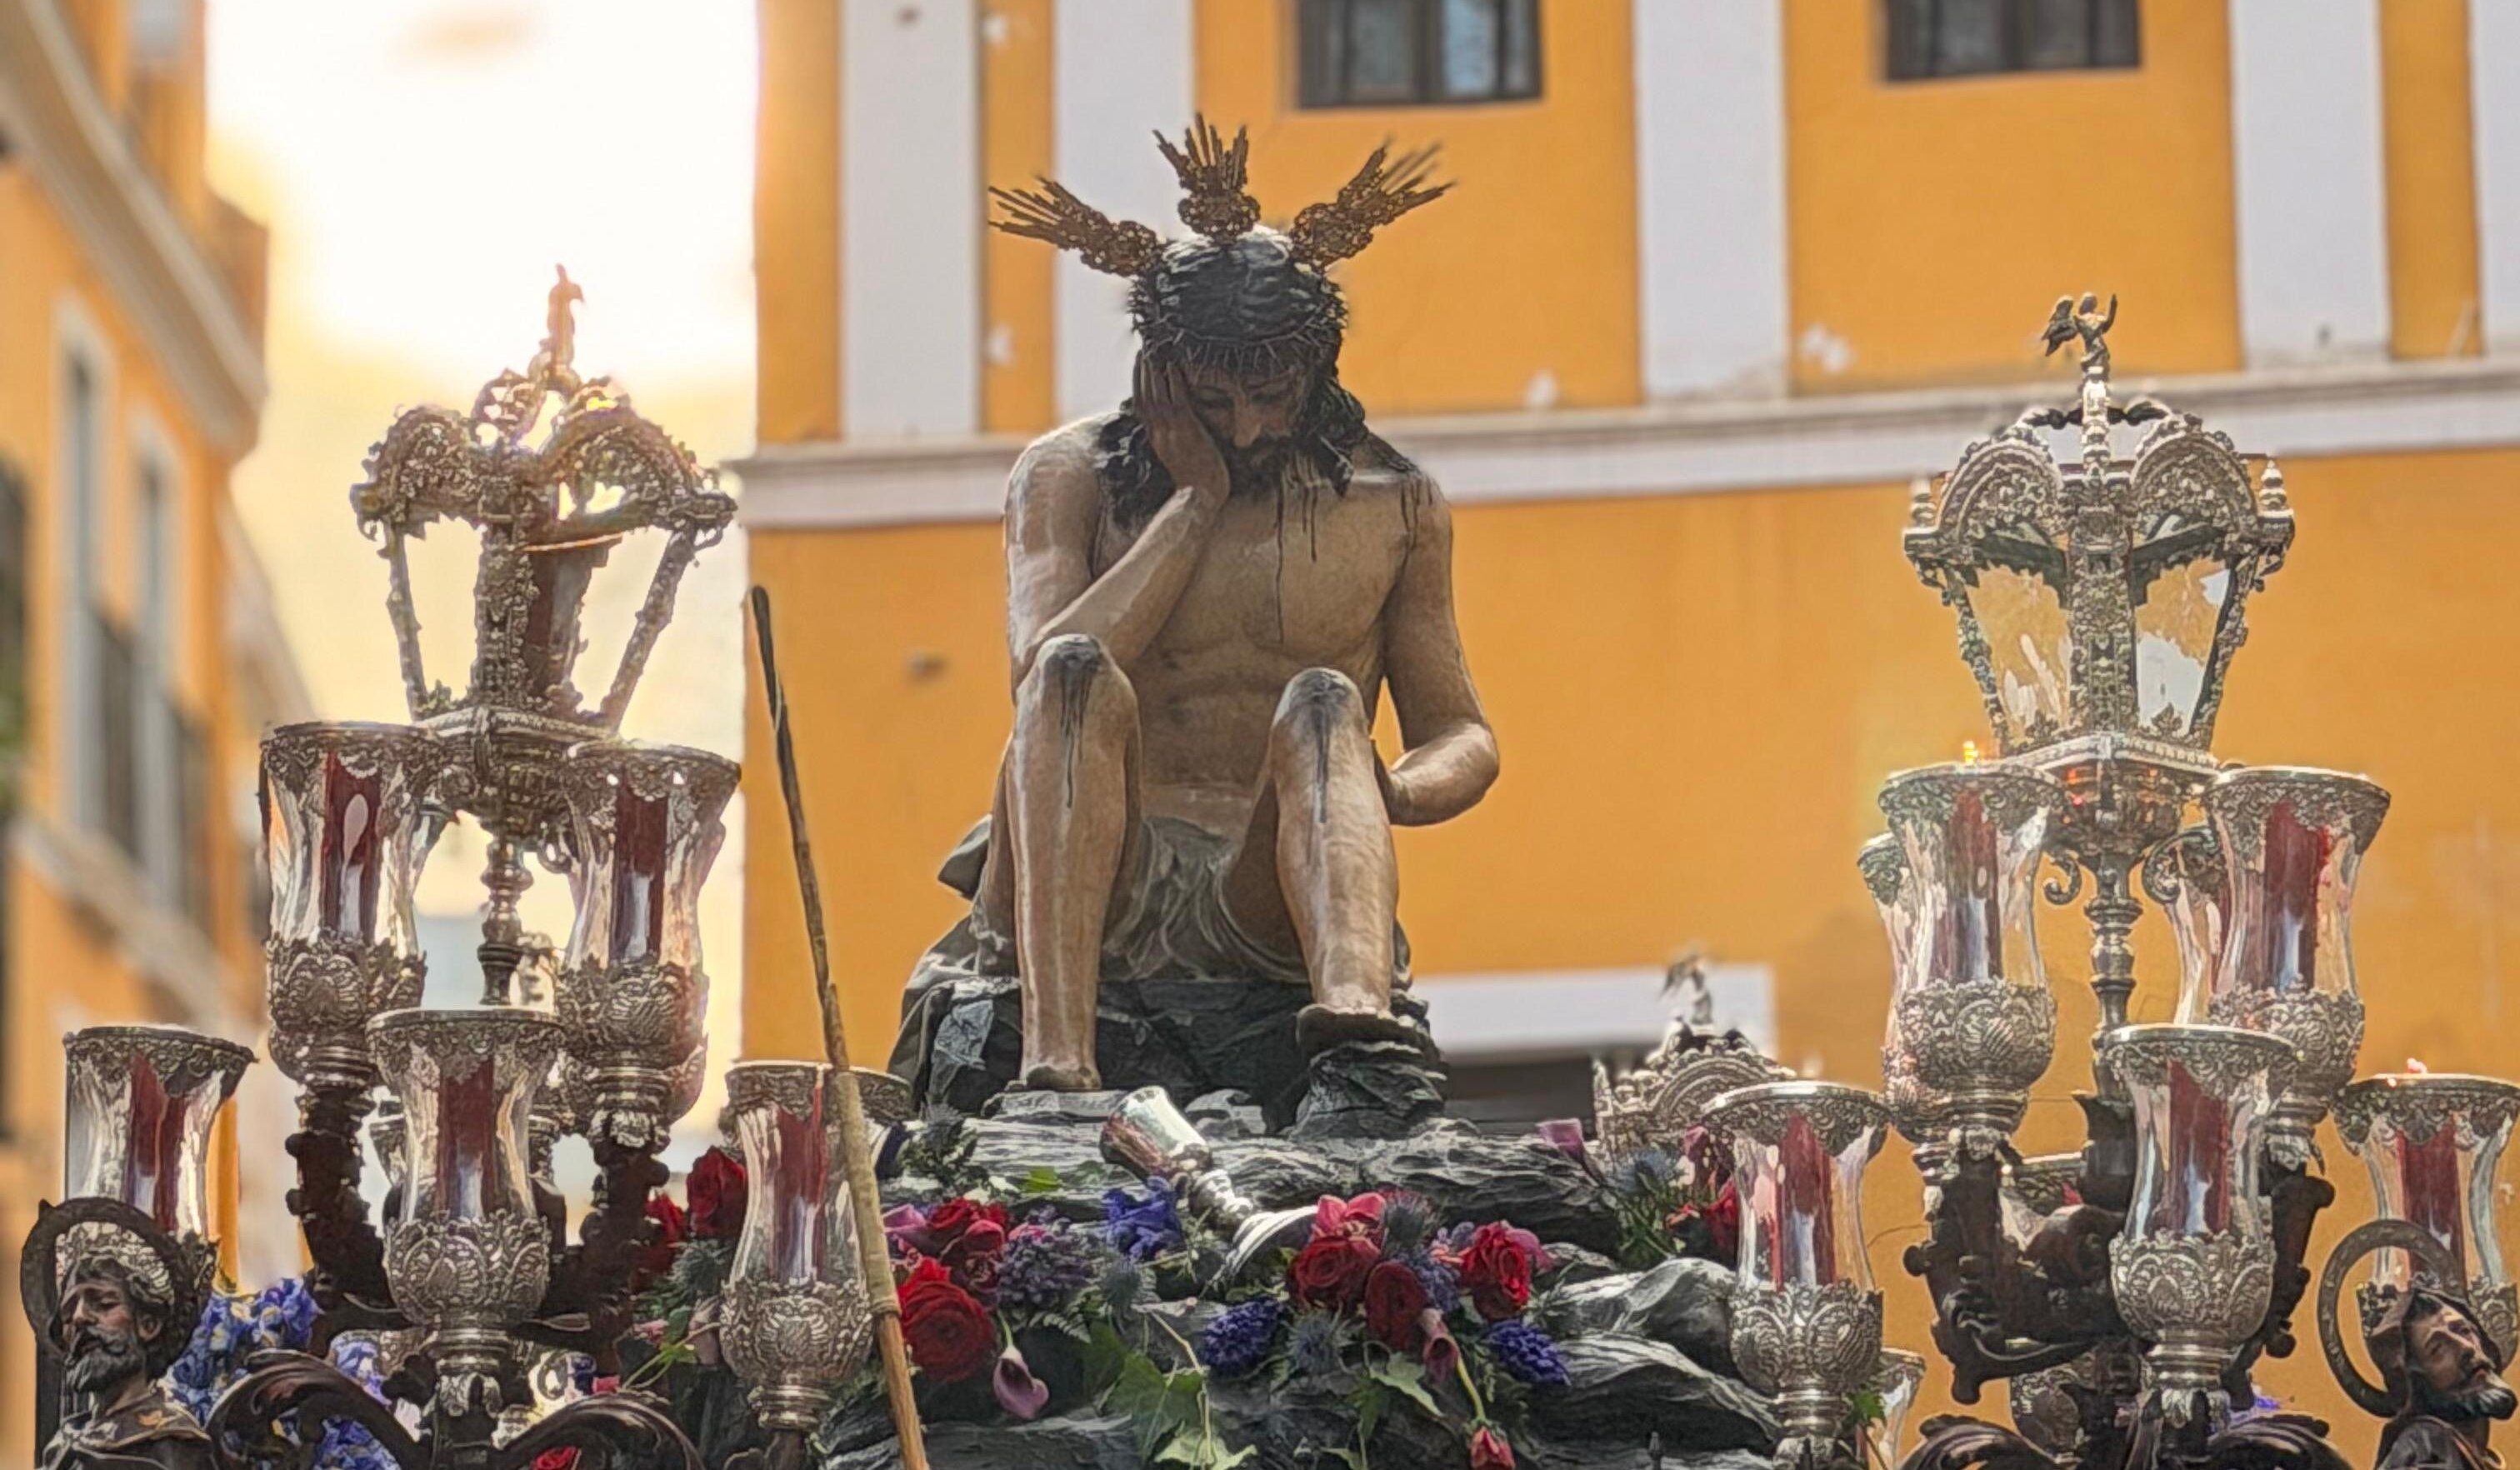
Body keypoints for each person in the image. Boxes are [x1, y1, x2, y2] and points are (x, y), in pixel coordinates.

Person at [968, 119, 1498, 1091]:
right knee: (1076, 669)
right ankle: (1056, 1059)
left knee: (1326, 701)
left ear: (1317, 370)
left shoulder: (1397, 502)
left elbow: (1461, 731)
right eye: (1212, 399)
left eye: (1271, 393)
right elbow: (1043, 673)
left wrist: (1392, 793)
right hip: (1094, 866)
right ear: (1159, 374)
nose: (1248, 425)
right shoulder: (1068, 474)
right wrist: (1194, 501)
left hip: (1270, 882)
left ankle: (1356, 1031)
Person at [42, 1248, 212, 1470]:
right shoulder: (65, 1441)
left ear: (148, 1325)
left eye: (104, 1304)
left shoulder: (172, 1443)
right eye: (67, 1314)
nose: (79, 1317)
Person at [2371, 1287, 2517, 1470]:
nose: (2466, 1347)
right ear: (2418, 1385)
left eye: (2464, 1330)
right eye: (2438, 1349)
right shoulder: (2425, 1449)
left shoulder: (2469, 1453)